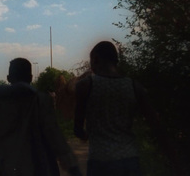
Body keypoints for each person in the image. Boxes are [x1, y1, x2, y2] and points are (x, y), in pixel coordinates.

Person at [74, 41, 180, 176]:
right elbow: (156, 125)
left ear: (95, 60)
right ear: (116, 61)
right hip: (130, 160)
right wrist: (176, 163)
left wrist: (88, 135)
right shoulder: (134, 87)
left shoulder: (85, 86)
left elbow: (77, 129)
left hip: (100, 161)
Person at [0, 58, 82, 176]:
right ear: (30, 78)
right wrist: (73, 168)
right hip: (40, 168)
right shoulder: (42, 100)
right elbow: (55, 135)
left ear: (8, 78)